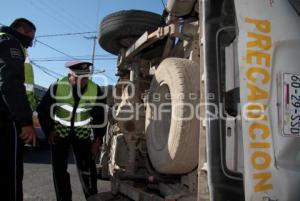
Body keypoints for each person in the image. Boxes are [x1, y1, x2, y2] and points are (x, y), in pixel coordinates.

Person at [37, 61, 107, 201]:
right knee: (59, 170)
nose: (82, 81)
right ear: (70, 75)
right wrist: (49, 130)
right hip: (60, 132)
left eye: (86, 77)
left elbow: (100, 117)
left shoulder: (96, 90)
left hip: (82, 133)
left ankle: (92, 197)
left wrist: (97, 140)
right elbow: (43, 110)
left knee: (87, 169)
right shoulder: (57, 87)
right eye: (78, 77)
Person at [0, 18, 37, 201]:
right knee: (11, 176)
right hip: (7, 119)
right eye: (31, 36)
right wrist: (25, 122)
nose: (31, 42)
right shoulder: (10, 44)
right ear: (22, 30)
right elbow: (11, 85)